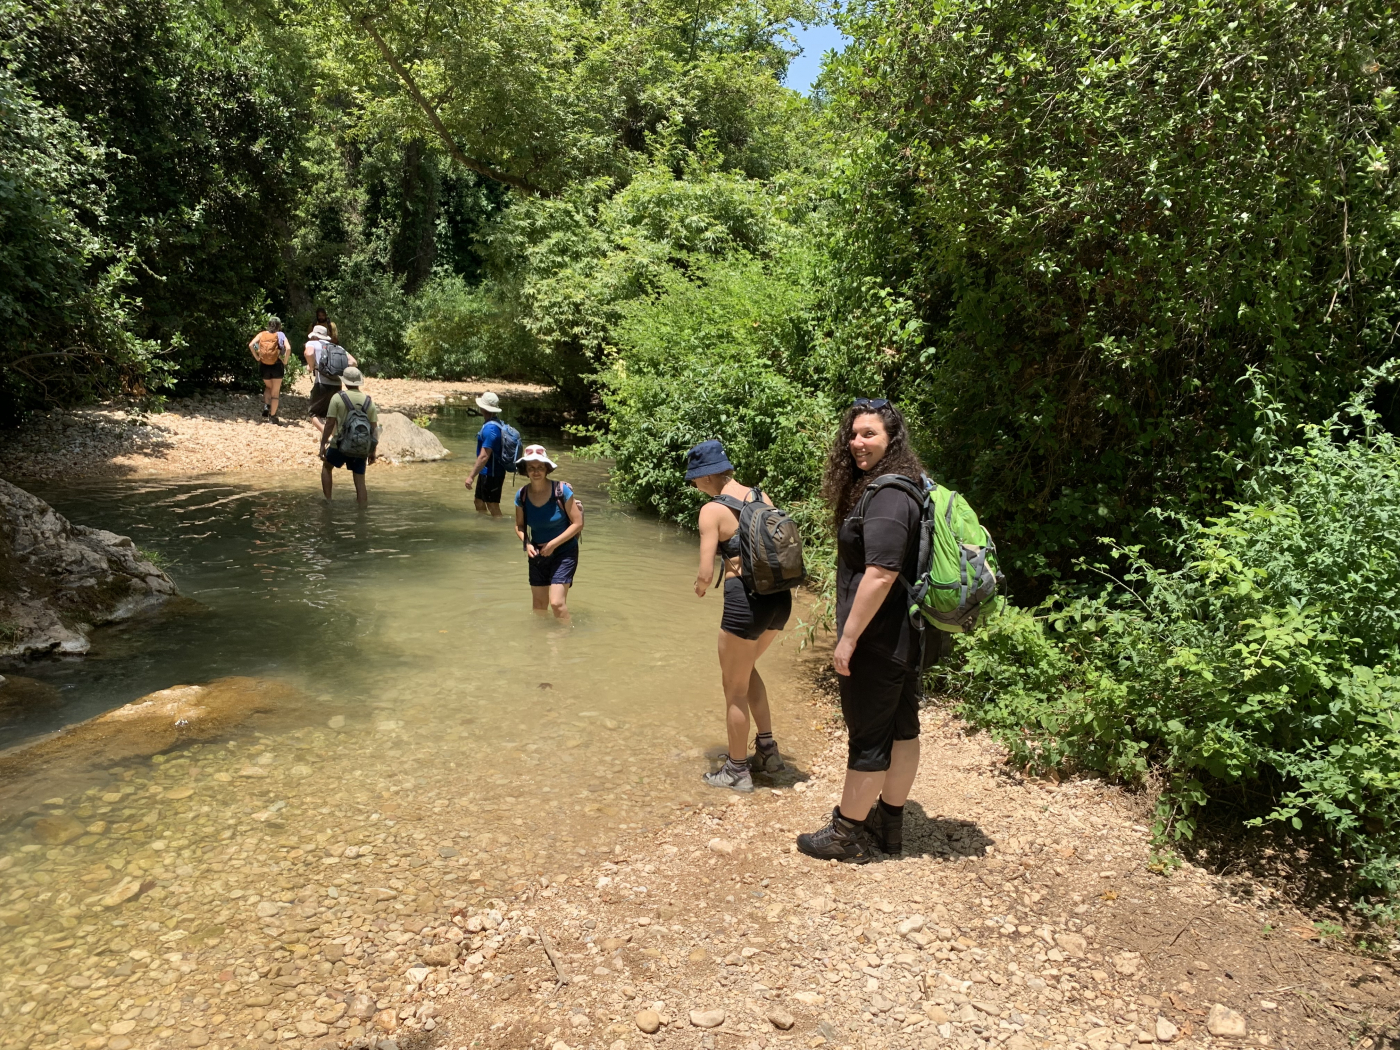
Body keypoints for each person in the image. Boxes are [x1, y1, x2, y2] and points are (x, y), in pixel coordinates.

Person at [796, 399, 926, 862]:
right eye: (853, 434)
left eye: (869, 434)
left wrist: (848, 639)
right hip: (904, 635)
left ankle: (846, 833)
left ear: (891, 440)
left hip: (878, 638)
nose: (857, 443)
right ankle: (890, 826)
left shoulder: (888, 495)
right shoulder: (908, 485)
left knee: (869, 734)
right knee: (902, 728)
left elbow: (881, 574)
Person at [687, 439, 790, 794]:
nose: (694, 485)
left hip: (745, 601)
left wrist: (700, 587)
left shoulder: (711, 510)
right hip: (779, 600)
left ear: (707, 477)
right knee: (746, 671)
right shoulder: (761, 497)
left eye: (694, 479)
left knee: (733, 687)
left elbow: (705, 573)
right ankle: (768, 751)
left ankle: (735, 770)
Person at [513, 444, 584, 619]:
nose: (536, 471)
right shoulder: (521, 495)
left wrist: (553, 544)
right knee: (538, 606)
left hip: (564, 551)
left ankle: (565, 634)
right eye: (531, 467)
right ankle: (541, 635)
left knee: (557, 603)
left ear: (547, 468)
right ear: (525, 470)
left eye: (540, 467)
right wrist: (527, 543)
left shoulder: (561, 491)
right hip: (537, 553)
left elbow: (578, 523)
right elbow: (519, 526)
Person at [318, 367, 378, 506]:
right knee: (360, 480)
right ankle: (362, 511)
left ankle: (328, 502)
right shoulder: (368, 401)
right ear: (359, 382)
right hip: (361, 446)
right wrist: (372, 451)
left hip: (339, 445)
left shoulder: (337, 398)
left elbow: (329, 423)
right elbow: (374, 429)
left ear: (345, 382)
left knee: (327, 467)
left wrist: (322, 445)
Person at [305, 324, 357, 428]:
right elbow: (353, 362)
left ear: (314, 335)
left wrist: (311, 366)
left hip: (322, 383)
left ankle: (325, 433)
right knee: (331, 415)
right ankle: (335, 436)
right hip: (337, 384)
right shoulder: (338, 347)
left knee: (313, 414)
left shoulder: (312, 343)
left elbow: (309, 353)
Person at [464, 391, 506, 516]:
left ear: (483, 408)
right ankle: (483, 523)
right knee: (478, 501)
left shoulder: (490, 429)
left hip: (492, 474)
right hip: (486, 472)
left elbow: (484, 456)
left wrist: (471, 476)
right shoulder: (494, 423)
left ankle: (498, 525)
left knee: (492, 505)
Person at [248, 316, 290, 423]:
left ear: (269, 324)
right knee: (275, 393)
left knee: (268, 387)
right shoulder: (280, 335)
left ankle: (266, 406)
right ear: (279, 326)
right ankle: (273, 416)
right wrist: (285, 361)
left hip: (264, 366)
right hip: (277, 365)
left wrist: (257, 357)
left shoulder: (262, 334)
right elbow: (288, 348)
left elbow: (251, 345)